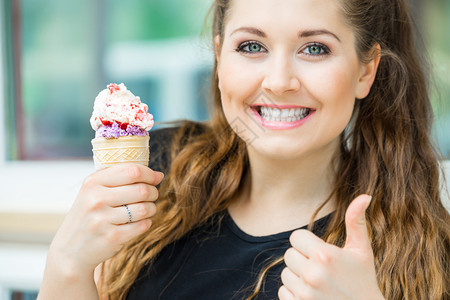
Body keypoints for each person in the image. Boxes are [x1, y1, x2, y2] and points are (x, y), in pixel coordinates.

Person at [38, 0, 450, 299]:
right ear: (220, 57)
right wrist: (68, 265)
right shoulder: (157, 174)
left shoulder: (423, 249)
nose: (279, 80)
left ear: (365, 70)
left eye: (315, 48)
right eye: (252, 46)